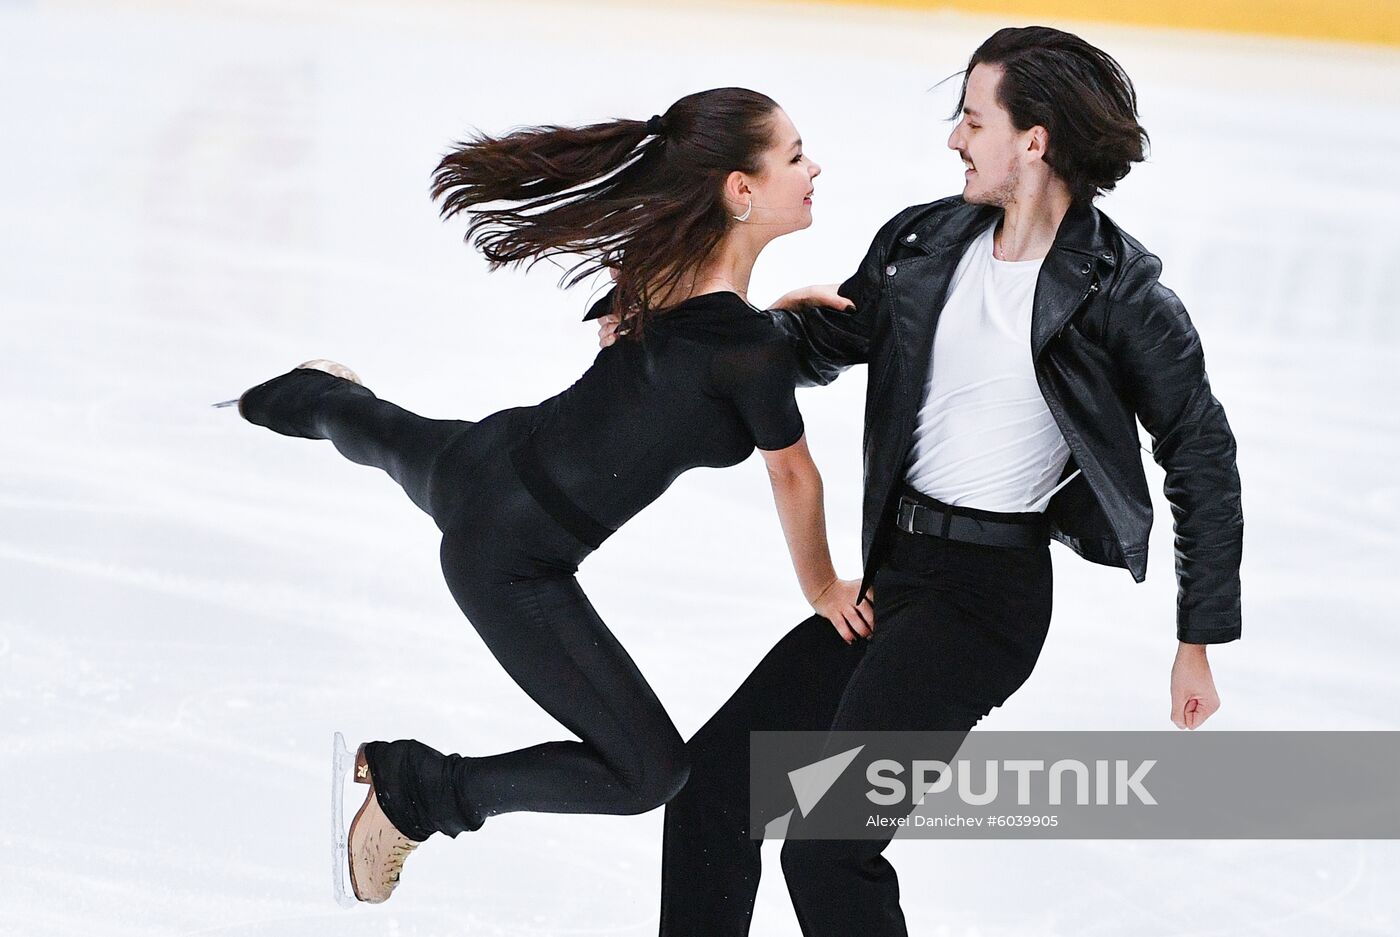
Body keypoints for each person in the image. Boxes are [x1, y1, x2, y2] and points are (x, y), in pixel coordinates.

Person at [599, 27, 1244, 937]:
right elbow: (821, 344)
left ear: (1036, 139)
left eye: (973, 120)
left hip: (984, 606)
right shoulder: (925, 241)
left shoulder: (1123, 297)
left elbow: (1201, 455)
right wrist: (685, 337)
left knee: (826, 846)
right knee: (713, 792)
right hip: (895, 576)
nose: (954, 139)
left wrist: (1198, 636)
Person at [230, 87, 875, 905]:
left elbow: (700, 353)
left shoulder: (670, 281)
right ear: (740, 191)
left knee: (363, 423)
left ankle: (283, 397)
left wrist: (780, 324)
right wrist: (823, 586)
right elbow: (794, 472)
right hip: (510, 560)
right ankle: (419, 790)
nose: (812, 166)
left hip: (488, 454)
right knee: (652, 771)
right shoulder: (733, 339)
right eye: (793, 155)